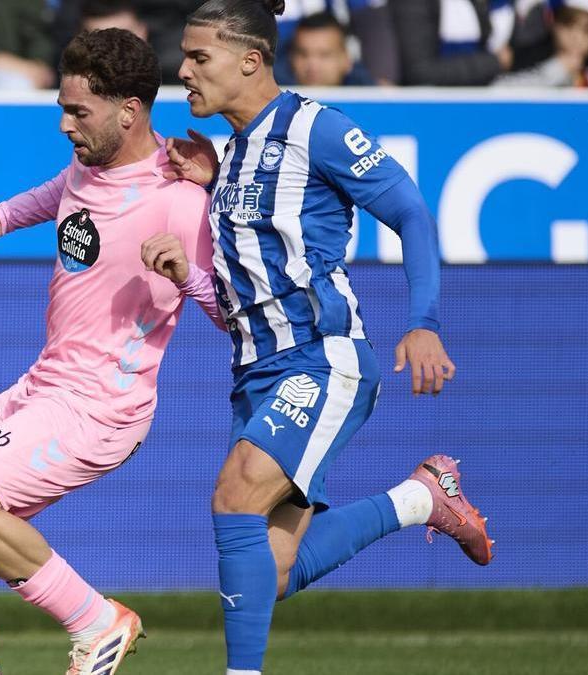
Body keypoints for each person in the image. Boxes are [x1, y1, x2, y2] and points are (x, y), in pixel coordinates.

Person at [147, 1, 494, 672]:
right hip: (255, 374)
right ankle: (421, 497)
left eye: (198, 57)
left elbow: (413, 213)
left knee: (234, 494)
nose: (182, 70)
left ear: (250, 60)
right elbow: (251, 276)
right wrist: (215, 179)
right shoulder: (236, 155)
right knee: (269, 571)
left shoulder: (316, 128)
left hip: (321, 356)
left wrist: (424, 322)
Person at [0, 28, 221, 675]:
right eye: (63, 107)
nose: (64, 124)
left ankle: (98, 621)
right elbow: (63, 196)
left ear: (128, 111)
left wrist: (187, 273)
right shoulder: (90, 165)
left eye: (78, 111)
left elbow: (233, 313)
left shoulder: (180, 200)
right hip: (47, 384)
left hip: (103, 405)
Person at [495, 1, 588, 86]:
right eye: (568, 24)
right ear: (553, 23)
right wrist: (556, 70)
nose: (577, 37)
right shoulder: (528, 54)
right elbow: (497, 88)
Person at [278, 12, 375, 85]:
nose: (313, 65)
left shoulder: (376, 100)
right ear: (291, 58)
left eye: (324, 55)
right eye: (303, 54)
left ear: (346, 60)